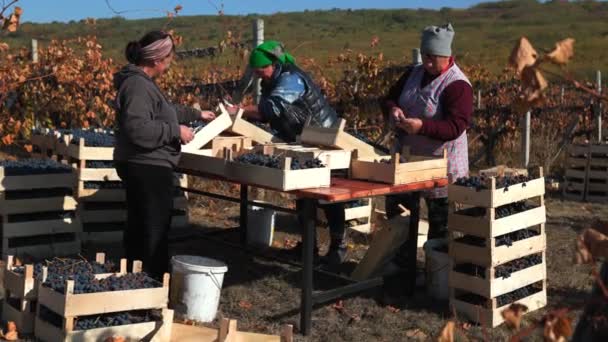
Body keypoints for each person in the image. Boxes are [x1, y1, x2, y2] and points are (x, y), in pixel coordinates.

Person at [228, 40, 347, 266]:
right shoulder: (271, 81)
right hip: (301, 140)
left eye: (261, 69)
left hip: (325, 139)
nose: (258, 74)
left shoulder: (291, 79)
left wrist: (240, 111)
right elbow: (265, 114)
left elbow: (273, 107)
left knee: (329, 197)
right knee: (302, 194)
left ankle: (338, 247)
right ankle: (308, 247)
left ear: (273, 64)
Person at [113, 31, 216, 278]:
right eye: (169, 57)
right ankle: (151, 284)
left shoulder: (143, 83)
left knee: (142, 226)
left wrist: (196, 115)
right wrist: (175, 131)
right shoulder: (137, 85)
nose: (171, 62)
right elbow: (138, 129)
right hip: (146, 166)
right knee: (153, 231)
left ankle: (134, 280)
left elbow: (164, 110)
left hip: (144, 164)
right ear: (157, 60)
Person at [382, 23, 473, 271]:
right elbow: (388, 97)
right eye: (425, 56)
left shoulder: (458, 86)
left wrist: (422, 126)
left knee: (439, 225)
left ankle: (435, 275)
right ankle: (402, 267)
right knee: (399, 215)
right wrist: (393, 109)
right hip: (407, 161)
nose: (428, 62)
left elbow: (456, 126)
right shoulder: (414, 73)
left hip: (441, 165)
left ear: (447, 56)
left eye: (433, 58)